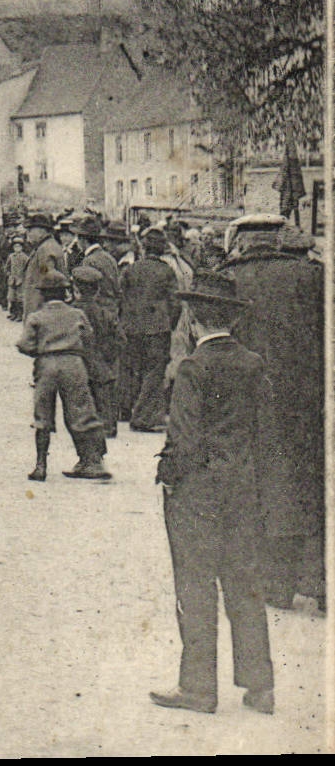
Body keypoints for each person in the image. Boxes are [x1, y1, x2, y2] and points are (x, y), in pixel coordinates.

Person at [151, 270, 274, 716]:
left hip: (198, 496)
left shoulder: (192, 369)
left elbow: (184, 441)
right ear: (232, 321)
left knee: (196, 587)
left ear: (193, 320)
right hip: (242, 490)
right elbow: (264, 435)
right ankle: (260, 686)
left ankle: (199, 688)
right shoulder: (253, 363)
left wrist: (167, 475)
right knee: (245, 586)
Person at [228, 227, 326, 610]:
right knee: (312, 483)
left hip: (252, 397)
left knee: (266, 486)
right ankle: (318, 581)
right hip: (307, 394)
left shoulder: (234, 276)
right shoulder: (312, 276)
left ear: (246, 242)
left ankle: (277, 585)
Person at [17, 269, 110, 481]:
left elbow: (24, 344)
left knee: (43, 415)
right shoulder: (77, 314)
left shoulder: (36, 317)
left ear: (43, 294)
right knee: (81, 411)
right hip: (73, 363)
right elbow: (89, 338)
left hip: (46, 364)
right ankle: (92, 462)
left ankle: (41, 466)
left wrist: (40, 350)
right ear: (65, 292)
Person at [122, 228, 181, 432]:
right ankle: (144, 417)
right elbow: (176, 302)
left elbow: (122, 298)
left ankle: (130, 410)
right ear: (163, 249)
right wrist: (169, 324)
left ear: (144, 248)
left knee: (135, 369)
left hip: (133, 328)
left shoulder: (131, 269)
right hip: (157, 328)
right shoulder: (166, 271)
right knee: (154, 372)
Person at [72, 265, 121, 439]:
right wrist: (107, 355)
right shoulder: (104, 313)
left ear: (75, 288)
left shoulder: (72, 312)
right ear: (97, 290)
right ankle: (107, 425)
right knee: (104, 392)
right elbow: (119, 340)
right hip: (101, 363)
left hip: (79, 363)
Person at [19, 214, 66, 318]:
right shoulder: (46, 246)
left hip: (39, 306)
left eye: (30, 230)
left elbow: (47, 276)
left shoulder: (45, 249)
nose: (28, 233)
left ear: (41, 230)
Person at [5, 238, 29, 321]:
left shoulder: (25, 257)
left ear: (22, 247)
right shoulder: (11, 256)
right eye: (15, 246)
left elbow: (27, 269)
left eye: (19, 246)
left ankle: (20, 314)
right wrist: (8, 274)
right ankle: (13, 313)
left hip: (21, 280)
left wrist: (24, 277)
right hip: (12, 280)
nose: (17, 248)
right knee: (12, 297)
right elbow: (7, 267)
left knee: (20, 298)